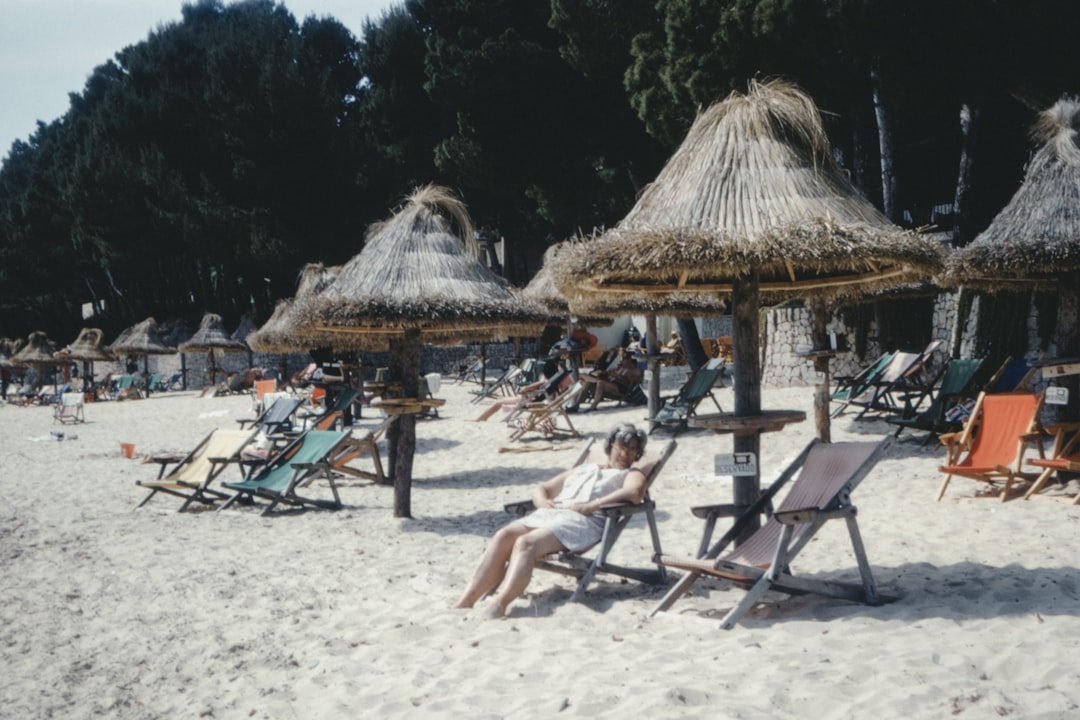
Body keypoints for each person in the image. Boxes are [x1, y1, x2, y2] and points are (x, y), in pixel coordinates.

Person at [454, 423, 649, 618]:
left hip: (583, 522)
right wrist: (542, 501)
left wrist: (593, 505)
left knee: (525, 543)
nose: (626, 454)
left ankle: (500, 603)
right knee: (503, 535)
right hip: (552, 514)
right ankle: (466, 601)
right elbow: (543, 487)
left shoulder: (631, 474)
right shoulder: (585, 469)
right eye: (622, 447)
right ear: (611, 445)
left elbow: (635, 492)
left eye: (633, 450)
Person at [473, 358, 571, 422]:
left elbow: (524, 389)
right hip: (528, 399)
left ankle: (480, 419)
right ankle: (482, 418)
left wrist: (528, 388)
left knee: (498, 402)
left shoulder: (544, 382)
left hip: (526, 400)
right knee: (499, 400)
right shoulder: (550, 383)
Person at [571, 347, 643, 412]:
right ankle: (575, 406)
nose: (621, 361)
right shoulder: (619, 368)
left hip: (619, 388)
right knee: (588, 382)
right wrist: (605, 373)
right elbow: (609, 373)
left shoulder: (634, 370)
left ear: (629, 360)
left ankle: (593, 406)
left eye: (624, 359)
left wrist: (619, 376)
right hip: (610, 383)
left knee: (600, 383)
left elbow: (636, 381)